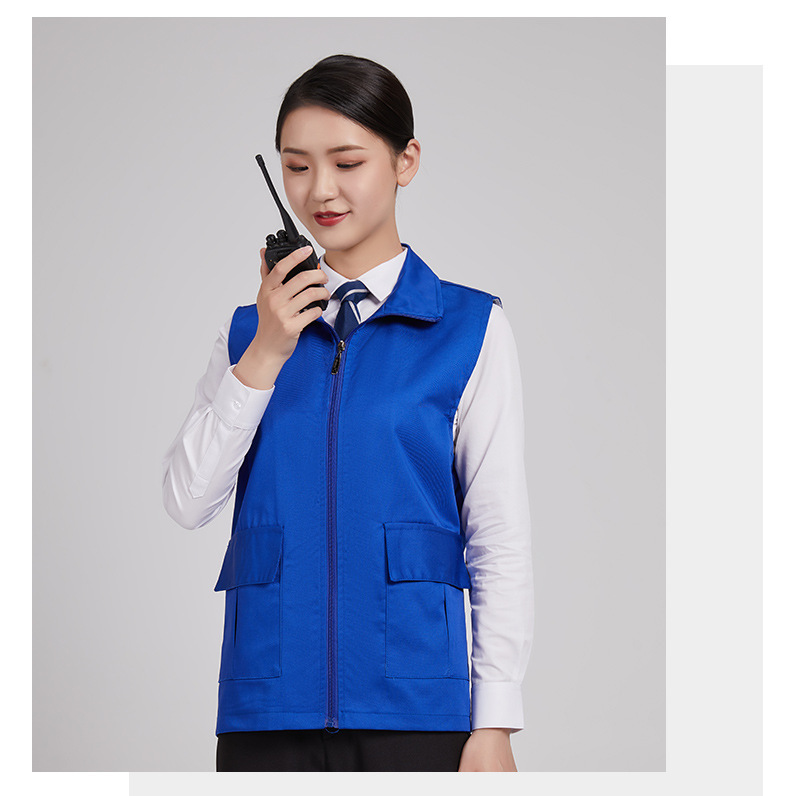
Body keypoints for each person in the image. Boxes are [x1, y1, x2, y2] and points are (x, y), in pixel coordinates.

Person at [161, 54, 534, 772]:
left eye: (348, 162)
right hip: (267, 709)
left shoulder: (470, 329)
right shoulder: (247, 334)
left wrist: (496, 722)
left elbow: (499, 535)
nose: (320, 191)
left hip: (417, 709)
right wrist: (267, 352)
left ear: (405, 161)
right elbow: (186, 500)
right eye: (296, 167)